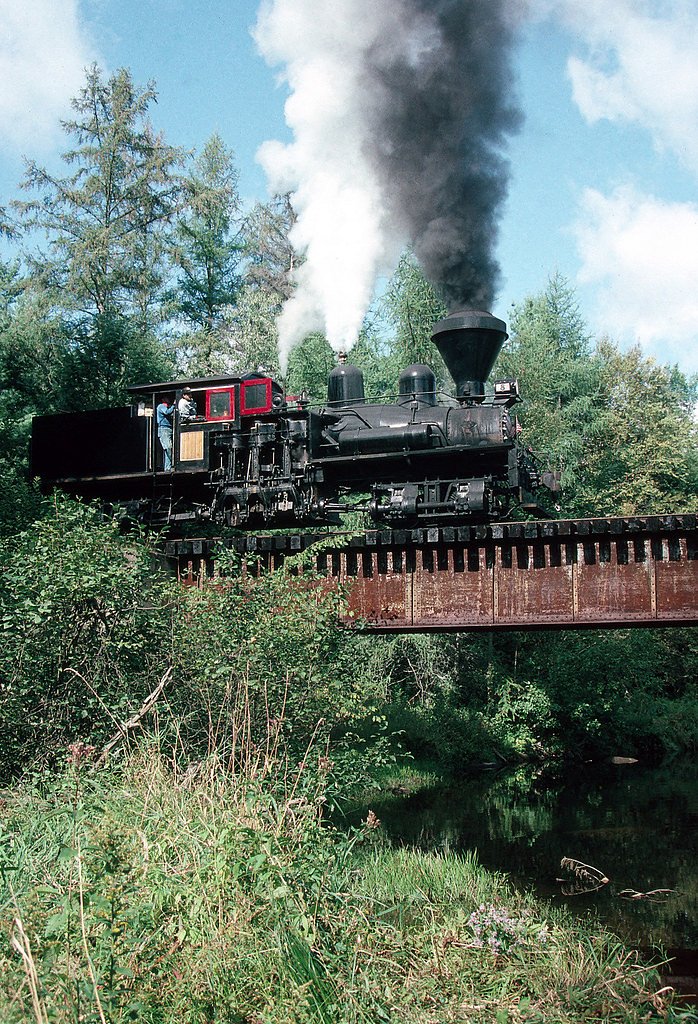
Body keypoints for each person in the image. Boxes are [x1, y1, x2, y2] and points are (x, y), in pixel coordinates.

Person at [156, 395, 175, 470]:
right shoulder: (161, 406)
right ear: (163, 399)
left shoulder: (168, 407)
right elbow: (167, 412)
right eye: (167, 398)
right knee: (168, 447)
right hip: (163, 428)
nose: (168, 399)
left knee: (168, 449)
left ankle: (167, 468)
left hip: (169, 428)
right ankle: (173, 463)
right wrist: (173, 406)